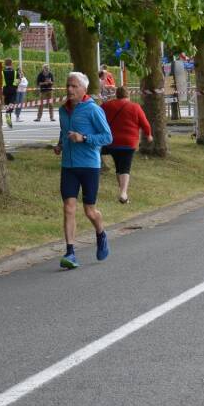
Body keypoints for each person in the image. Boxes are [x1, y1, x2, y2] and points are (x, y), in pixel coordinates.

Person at [54, 72, 113, 269]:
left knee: (89, 211)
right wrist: (60, 145)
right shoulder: (63, 110)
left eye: (74, 86)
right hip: (68, 166)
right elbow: (64, 132)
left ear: (83, 89)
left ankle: (101, 233)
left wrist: (84, 138)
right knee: (69, 208)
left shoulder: (93, 110)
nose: (69, 89)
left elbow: (107, 137)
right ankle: (70, 253)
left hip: (89, 166)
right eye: (68, 85)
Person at [101, 87, 153, 204]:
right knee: (125, 168)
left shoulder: (106, 106)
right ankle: (123, 194)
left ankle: (122, 193)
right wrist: (149, 135)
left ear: (116, 95)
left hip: (111, 142)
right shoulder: (135, 107)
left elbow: (99, 119)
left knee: (119, 167)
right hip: (129, 142)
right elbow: (145, 124)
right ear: (128, 95)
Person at [1, 59, 19, 128]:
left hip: (5, 90)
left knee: (7, 104)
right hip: (13, 90)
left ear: (5, 64)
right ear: (11, 64)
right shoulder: (15, 72)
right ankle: (8, 114)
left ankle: (9, 122)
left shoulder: (2, 72)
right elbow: (17, 82)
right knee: (12, 104)